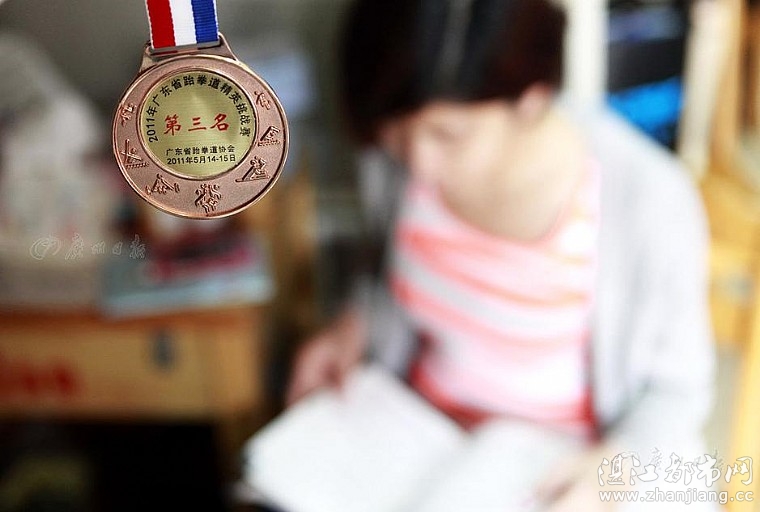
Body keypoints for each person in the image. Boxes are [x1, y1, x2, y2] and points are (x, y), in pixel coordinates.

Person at [287, 0, 717, 510]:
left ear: (531, 99)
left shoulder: (648, 199)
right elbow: (382, 272)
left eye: (449, 135)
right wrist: (355, 324)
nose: (419, 163)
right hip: (414, 447)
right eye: (398, 134)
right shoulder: (393, 161)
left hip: (557, 474)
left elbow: (677, 393)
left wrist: (613, 473)